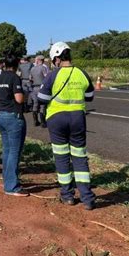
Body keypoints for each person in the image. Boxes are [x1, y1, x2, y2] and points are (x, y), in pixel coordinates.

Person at [38, 42, 96, 210]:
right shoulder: (81, 73)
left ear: (56, 58)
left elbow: (41, 97)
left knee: (62, 156)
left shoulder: (53, 75)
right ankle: (87, 198)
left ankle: (67, 195)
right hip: (78, 118)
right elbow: (90, 96)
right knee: (79, 156)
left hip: (56, 119)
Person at [0, 55, 28, 196]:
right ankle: (11, 186)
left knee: (6, 150)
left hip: (0, 115)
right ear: (17, 64)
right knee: (14, 151)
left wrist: (4, 97)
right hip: (13, 116)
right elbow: (19, 99)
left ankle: (7, 180)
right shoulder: (14, 77)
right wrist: (24, 93)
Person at [29, 55, 48, 127]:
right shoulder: (43, 68)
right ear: (42, 60)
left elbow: (30, 78)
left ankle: (35, 121)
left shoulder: (32, 69)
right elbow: (46, 77)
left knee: (35, 104)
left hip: (34, 88)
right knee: (42, 105)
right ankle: (43, 123)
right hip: (41, 88)